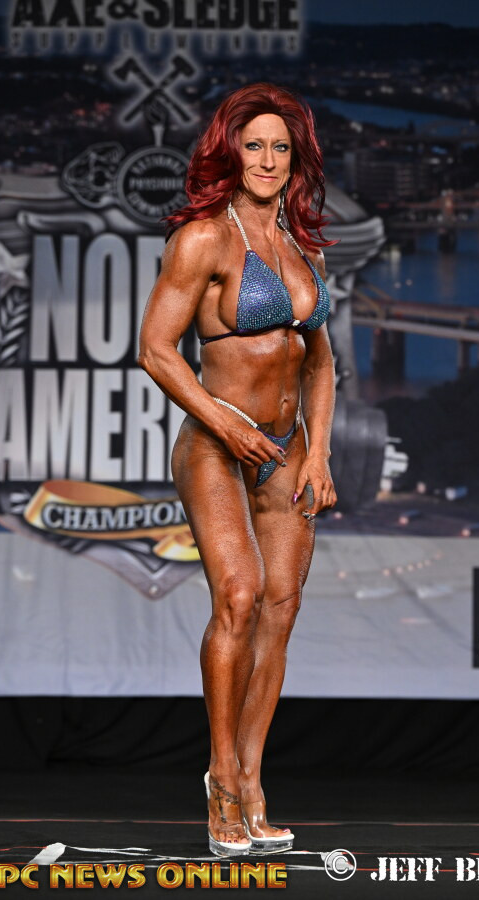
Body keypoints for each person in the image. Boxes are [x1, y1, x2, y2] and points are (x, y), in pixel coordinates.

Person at [137, 83, 337, 857]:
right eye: (254, 145)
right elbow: (157, 350)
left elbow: (319, 361)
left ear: (296, 160)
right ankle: (220, 777)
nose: (267, 159)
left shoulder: (303, 245)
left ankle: (253, 782)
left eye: (280, 148)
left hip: (286, 452)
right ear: (230, 152)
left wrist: (318, 451)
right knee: (241, 596)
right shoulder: (202, 241)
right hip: (218, 447)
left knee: (281, 609)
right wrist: (225, 423)